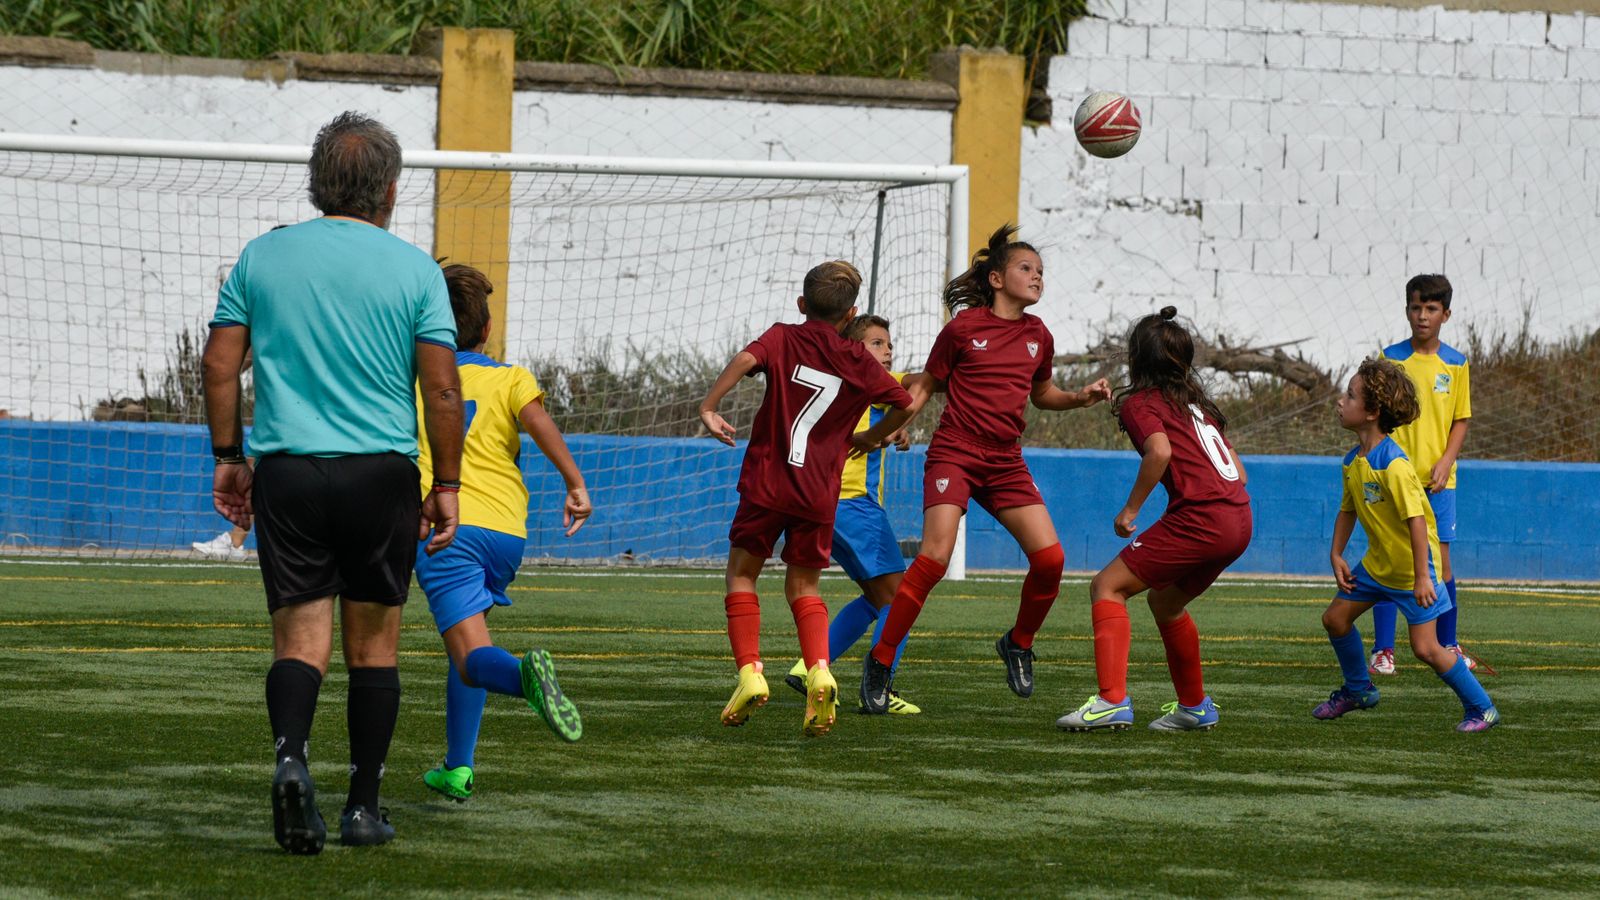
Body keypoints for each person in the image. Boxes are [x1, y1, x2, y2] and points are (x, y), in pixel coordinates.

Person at [203, 111, 465, 854]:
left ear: (318, 185)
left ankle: (291, 762)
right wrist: (446, 482)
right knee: (374, 645)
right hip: (381, 474)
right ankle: (362, 807)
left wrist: (230, 455)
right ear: (388, 189)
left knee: (299, 638)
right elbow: (443, 393)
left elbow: (220, 365)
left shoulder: (261, 257)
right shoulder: (415, 268)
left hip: (288, 473)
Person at [859, 224, 1111, 714]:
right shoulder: (962, 330)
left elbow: (1042, 395)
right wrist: (878, 432)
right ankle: (881, 661)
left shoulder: (1040, 335)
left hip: (1006, 460)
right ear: (996, 279)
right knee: (933, 559)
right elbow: (925, 389)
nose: (1037, 277)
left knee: (1051, 561)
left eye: (1041, 271)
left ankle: (1018, 641)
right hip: (956, 451)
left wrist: (1080, 398)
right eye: (1026, 268)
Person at [699, 260, 913, 737]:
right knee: (805, 588)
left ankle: (751, 673)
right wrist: (871, 436)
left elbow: (743, 360)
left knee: (741, 574)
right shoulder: (859, 361)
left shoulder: (782, 336)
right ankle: (819, 669)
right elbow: (907, 402)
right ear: (852, 313)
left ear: (801, 304)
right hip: (819, 492)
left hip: (767, 483)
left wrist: (710, 406)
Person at [415, 263, 590, 803]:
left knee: (473, 656)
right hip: (507, 532)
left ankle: (524, 678)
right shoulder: (510, 377)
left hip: (448, 525)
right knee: (467, 644)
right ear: (486, 329)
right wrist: (576, 485)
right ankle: (457, 767)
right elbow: (541, 425)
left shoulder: (416, 380)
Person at [1055, 307, 1252, 732]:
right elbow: (1239, 469)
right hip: (1239, 518)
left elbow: (1159, 452)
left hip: (1203, 519)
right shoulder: (1198, 404)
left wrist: (1131, 510)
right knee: (1165, 602)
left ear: (1136, 359)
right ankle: (1195, 707)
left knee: (1106, 587)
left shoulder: (1142, 403)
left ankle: (1111, 701)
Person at [1311, 359, 1499, 732]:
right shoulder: (1352, 461)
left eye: (1350, 395)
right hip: (1377, 567)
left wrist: (1422, 578)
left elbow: (1417, 521)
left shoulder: (1394, 464)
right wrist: (1336, 554)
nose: (1341, 401)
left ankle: (1482, 708)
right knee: (1335, 619)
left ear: (1372, 413)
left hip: (1413, 573)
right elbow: (1347, 511)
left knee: (1426, 649)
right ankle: (1359, 689)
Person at [783, 314, 921, 715]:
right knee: (902, 599)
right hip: (855, 504)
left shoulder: (835, 379)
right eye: (877, 343)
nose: (888, 350)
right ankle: (879, 685)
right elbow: (917, 385)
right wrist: (894, 424)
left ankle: (809, 666)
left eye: (889, 343)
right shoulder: (868, 377)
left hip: (821, 500)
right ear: (855, 349)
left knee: (875, 597)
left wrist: (893, 427)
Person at [1368, 274, 1484, 675]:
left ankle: (1447, 642)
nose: (1422, 316)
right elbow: (1378, 416)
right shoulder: (1390, 357)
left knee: (1443, 566)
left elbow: (1461, 420)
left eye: (1431, 309)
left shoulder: (1456, 364)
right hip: (1394, 479)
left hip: (1438, 482)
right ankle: (1384, 650)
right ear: (1407, 310)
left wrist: (1446, 461)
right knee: (1388, 559)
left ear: (1445, 314)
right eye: (1416, 307)